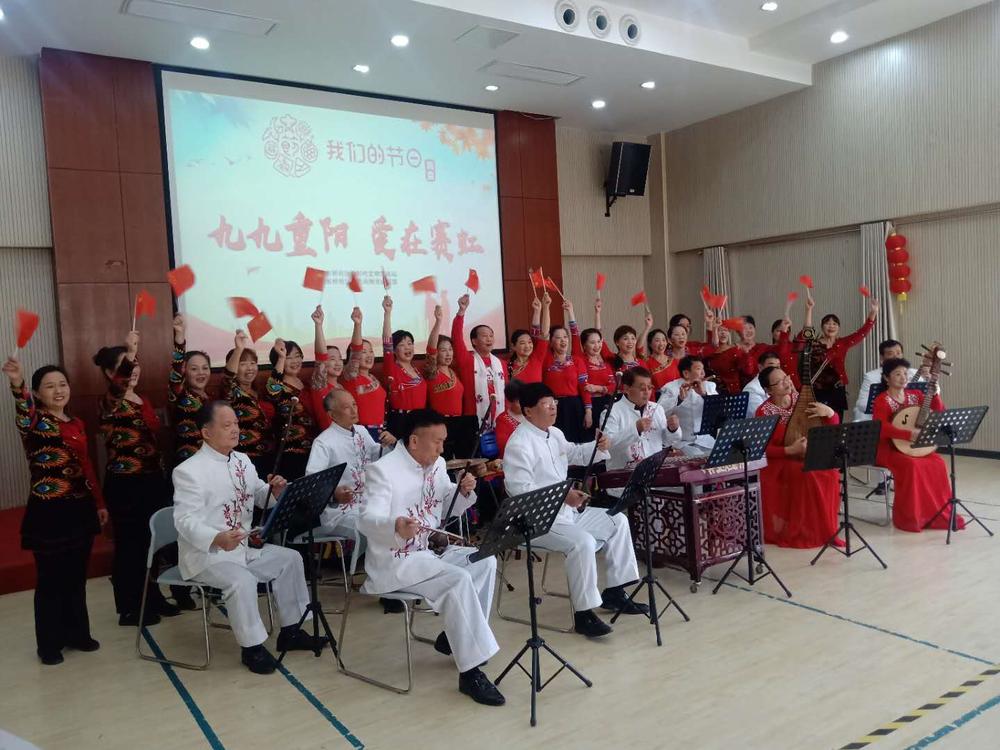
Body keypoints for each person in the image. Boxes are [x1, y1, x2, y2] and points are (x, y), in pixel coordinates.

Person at [359, 409, 504, 706]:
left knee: (485, 561)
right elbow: (366, 519)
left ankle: (456, 637)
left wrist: (462, 491)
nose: (441, 449)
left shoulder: (437, 464)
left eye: (443, 441)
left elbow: (445, 505)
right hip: (396, 561)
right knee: (458, 580)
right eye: (437, 441)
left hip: (429, 553)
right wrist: (395, 525)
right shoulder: (383, 471)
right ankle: (470, 672)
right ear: (414, 440)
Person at [172, 401, 324, 675]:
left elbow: (259, 495)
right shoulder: (189, 471)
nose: (235, 429)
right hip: (208, 554)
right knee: (241, 580)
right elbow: (184, 520)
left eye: (236, 423)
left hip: (243, 547)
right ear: (206, 432)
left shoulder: (242, 460)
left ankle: (291, 631)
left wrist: (275, 491)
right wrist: (217, 537)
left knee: (290, 559)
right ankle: (252, 647)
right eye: (226, 425)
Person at [504, 383, 644, 639]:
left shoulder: (554, 433)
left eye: (554, 403)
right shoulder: (519, 444)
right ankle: (584, 613)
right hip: (537, 521)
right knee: (583, 542)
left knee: (617, 521)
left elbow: (576, 453)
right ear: (528, 411)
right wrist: (563, 497)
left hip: (567, 514)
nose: (553, 408)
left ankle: (615, 591)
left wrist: (599, 445)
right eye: (546, 405)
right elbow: (521, 490)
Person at [5, 357, 107, 665]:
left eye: (62, 384)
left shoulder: (77, 423)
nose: (58, 390)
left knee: (76, 577)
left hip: (80, 509)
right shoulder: (35, 424)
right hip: (49, 514)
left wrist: (99, 503)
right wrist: (17, 383)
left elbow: (86, 466)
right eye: (50, 386)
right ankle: (49, 644)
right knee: (51, 580)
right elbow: (23, 411)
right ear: (37, 393)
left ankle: (78, 634)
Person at [93, 330, 181, 626]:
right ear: (111, 373)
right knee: (129, 546)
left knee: (151, 542)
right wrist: (130, 353)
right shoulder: (110, 402)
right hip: (125, 484)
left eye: (135, 363)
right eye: (125, 366)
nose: (133, 369)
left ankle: (152, 597)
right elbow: (117, 389)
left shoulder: (142, 399)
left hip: (151, 480)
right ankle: (129, 607)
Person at [872, 358, 964, 533]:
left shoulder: (915, 395)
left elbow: (938, 413)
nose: (903, 377)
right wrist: (908, 434)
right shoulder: (882, 400)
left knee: (938, 463)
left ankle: (934, 513)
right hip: (889, 449)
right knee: (912, 466)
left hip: (914, 447)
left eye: (905, 373)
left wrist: (934, 394)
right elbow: (881, 427)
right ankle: (911, 517)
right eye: (897, 374)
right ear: (886, 378)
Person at [755, 366, 843, 548]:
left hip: (807, 455)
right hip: (781, 461)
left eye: (786, 377)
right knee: (808, 474)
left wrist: (830, 413)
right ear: (768, 390)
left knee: (830, 471)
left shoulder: (802, 400)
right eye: (779, 382)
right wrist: (790, 450)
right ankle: (803, 530)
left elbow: (830, 425)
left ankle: (823, 528)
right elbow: (763, 450)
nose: (787, 382)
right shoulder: (763, 411)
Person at [305, 389, 382, 556]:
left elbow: (378, 456)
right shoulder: (323, 442)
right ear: (332, 415)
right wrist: (334, 493)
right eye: (347, 407)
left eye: (354, 404)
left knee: (393, 520)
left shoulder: (361, 431)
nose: (354, 410)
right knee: (374, 527)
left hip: (367, 503)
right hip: (339, 513)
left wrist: (388, 444)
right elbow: (312, 482)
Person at [801, 296, 879, 421]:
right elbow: (806, 332)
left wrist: (873, 312)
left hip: (837, 390)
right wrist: (808, 309)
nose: (831, 326)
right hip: (817, 390)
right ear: (822, 326)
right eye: (827, 323)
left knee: (836, 422)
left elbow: (862, 333)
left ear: (838, 327)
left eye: (834, 323)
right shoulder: (814, 344)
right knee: (816, 423)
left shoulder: (842, 343)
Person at [603, 368, 682, 471]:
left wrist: (673, 429)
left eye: (649, 388)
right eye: (642, 388)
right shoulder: (611, 412)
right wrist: (635, 429)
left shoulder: (657, 409)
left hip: (653, 470)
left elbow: (666, 442)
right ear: (626, 389)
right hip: (622, 473)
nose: (647, 392)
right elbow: (608, 445)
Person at [223, 329, 276, 478]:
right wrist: (238, 349)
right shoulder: (233, 392)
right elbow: (228, 378)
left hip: (270, 456)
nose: (249, 368)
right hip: (246, 458)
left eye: (253, 363)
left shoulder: (260, 391)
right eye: (243, 364)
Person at [342, 306, 395, 449]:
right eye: (364, 352)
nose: (369, 355)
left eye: (371, 351)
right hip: (362, 433)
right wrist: (357, 325)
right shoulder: (351, 377)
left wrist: (387, 313)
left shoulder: (373, 378)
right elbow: (355, 351)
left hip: (380, 433)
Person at [265, 338, 317, 480]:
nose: (294, 361)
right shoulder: (278, 388)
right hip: (291, 453)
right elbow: (272, 390)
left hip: (314, 449)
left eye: (297, 356)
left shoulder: (306, 384)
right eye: (289, 358)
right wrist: (281, 357)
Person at [451, 293, 506, 426]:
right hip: (474, 421)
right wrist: (461, 312)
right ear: (474, 341)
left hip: (499, 420)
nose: (489, 339)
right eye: (485, 336)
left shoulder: (501, 364)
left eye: (491, 336)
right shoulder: (467, 360)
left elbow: (506, 396)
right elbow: (456, 338)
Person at [382, 294, 431, 437]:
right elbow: (387, 343)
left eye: (410, 343)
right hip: (401, 421)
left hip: (421, 421)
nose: (407, 347)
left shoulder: (417, 369)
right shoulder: (392, 368)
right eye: (402, 345)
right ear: (394, 350)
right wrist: (387, 313)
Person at [542, 300, 592, 442]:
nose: (563, 340)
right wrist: (545, 307)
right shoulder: (545, 360)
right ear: (550, 341)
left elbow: (584, 387)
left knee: (576, 443)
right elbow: (543, 334)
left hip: (575, 406)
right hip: (553, 407)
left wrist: (588, 411)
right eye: (558, 338)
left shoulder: (577, 361)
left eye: (565, 337)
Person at [169, 313, 212, 465]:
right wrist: (180, 338)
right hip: (188, 463)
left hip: (211, 463)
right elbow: (176, 373)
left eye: (205, 368)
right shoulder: (181, 396)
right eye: (194, 369)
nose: (201, 373)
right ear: (185, 372)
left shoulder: (211, 397)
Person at [853, 339, 927, 423]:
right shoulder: (871, 376)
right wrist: (889, 406)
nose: (896, 357)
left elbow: (928, 398)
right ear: (882, 357)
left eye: (898, 353)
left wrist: (930, 380)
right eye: (890, 354)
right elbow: (861, 404)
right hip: (881, 419)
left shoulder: (913, 373)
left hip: (910, 420)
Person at [657, 356, 719, 456]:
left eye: (703, 369)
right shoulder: (671, 387)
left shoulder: (709, 386)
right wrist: (679, 399)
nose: (703, 373)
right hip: (681, 442)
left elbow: (719, 410)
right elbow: (658, 412)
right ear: (686, 373)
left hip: (706, 440)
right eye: (698, 369)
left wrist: (704, 395)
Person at [572, 324, 617, 441]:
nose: (597, 346)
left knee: (607, 439)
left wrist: (598, 388)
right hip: (588, 405)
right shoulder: (580, 360)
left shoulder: (605, 364)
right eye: (592, 342)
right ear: (584, 345)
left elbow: (613, 386)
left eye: (599, 341)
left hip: (606, 403)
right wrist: (588, 412)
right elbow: (585, 387)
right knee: (591, 441)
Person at [310, 305, 346, 432]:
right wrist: (318, 325)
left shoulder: (342, 387)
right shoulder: (320, 386)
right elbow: (320, 357)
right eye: (332, 359)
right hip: (331, 439)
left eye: (340, 358)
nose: (338, 363)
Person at [424, 306, 464, 416]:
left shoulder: (453, 373)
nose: (448, 353)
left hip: (458, 421)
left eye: (450, 349)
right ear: (436, 353)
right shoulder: (432, 373)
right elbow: (431, 349)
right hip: (439, 423)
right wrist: (438, 322)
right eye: (443, 350)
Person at [506, 294, 550, 384]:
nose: (527, 346)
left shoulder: (537, 357)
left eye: (530, 342)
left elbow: (544, 333)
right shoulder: (506, 365)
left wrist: (545, 307)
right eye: (522, 343)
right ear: (513, 346)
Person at [706, 325, 750, 395]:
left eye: (725, 330)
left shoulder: (735, 350)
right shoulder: (707, 352)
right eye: (719, 330)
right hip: (712, 392)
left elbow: (747, 369)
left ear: (729, 333)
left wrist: (746, 353)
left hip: (732, 391)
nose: (723, 332)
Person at [743, 350, 783, 418]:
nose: (776, 369)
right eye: (772, 366)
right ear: (760, 367)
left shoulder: (782, 383)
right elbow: (758, 414)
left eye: (778, 366)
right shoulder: (752, 388)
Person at [493, 379, 525, 457]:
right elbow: (504, 447)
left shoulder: (532, 415)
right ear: (509, 401)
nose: (524, 404)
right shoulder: (502, 420)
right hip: (513, 459)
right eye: (519, 402)